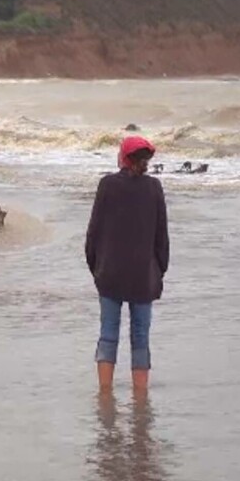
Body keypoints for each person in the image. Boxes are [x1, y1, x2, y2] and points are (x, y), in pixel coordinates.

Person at [85, 136, 169, 394]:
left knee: (108, 334)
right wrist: (158, 271)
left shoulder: (107, 185)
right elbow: (161, 238)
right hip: (143, 277)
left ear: (122, 157)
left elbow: (93, 234)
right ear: (145, 161)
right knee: (140, 338)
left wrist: (97, 270)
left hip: (109, 274)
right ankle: (140, 399)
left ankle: (105, 394)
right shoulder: (154, 188)